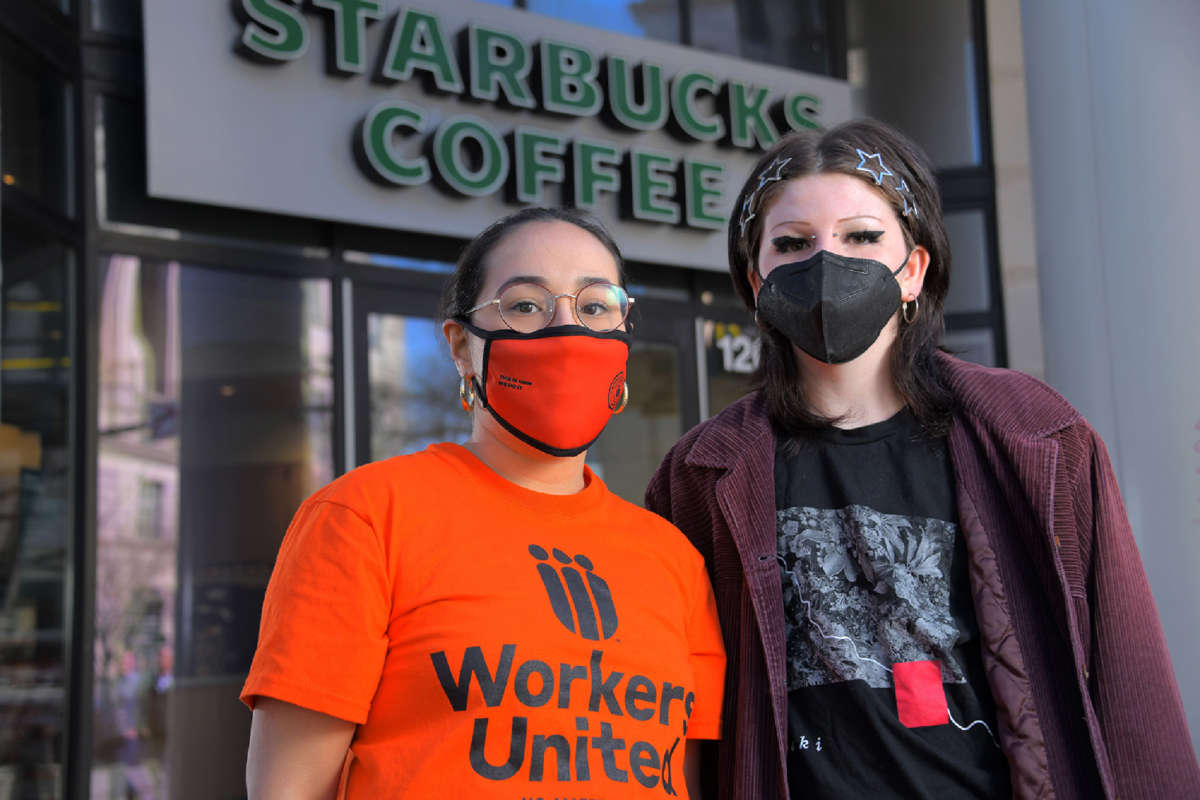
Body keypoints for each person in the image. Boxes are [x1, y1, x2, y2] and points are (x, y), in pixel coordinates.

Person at [646, 119, 1200, 799]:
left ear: (913, 269)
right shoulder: (699, 475)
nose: (828, 261)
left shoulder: (1036, 437)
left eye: (861, 236)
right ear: (756, 280)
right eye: (793, 244)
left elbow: (1129, 677)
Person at [241, 206, 725, 799]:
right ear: (461, 348)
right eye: (526, 305)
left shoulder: (675, 561)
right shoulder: (365, 517)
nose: (567, 330)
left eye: (595, 306)